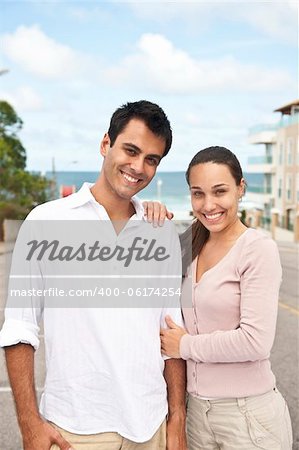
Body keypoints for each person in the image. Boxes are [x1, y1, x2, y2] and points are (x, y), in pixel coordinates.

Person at [0, 100, 187, 450]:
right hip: (75, 428)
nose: (138, 167)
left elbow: (170, 332)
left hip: (150, 426)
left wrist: (177, 420)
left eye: (152, 159)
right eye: (130, 150)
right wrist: (30, 426)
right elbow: (19, 328)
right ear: (105, 144)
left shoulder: (161, 231)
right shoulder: (46, 222)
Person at [154, 146, 292, 449]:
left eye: (220, 192)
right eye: (198, 194)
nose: (208, 204)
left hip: (248, 418)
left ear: (240, 189)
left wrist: (185, 345)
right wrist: (145, 212)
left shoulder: (256, 249)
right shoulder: (187, 245)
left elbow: (255, 342)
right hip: (198, 417)